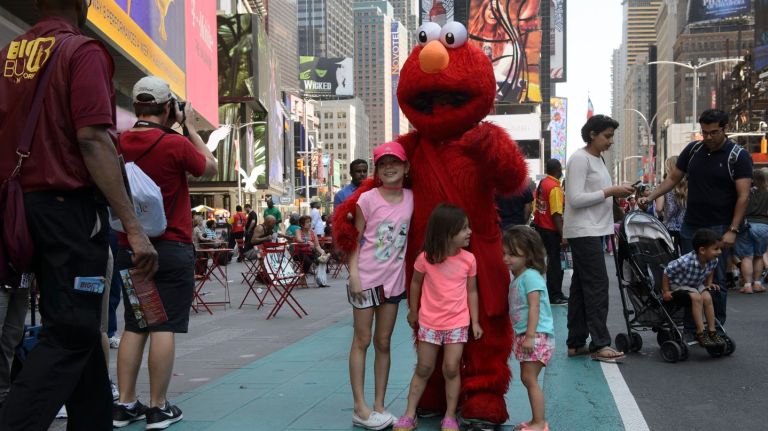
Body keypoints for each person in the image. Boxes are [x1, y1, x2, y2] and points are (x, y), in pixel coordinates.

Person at [0, 1, 159, 429]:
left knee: (83, 330)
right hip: (67, 212)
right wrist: (133, 227)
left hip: (19, 212)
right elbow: (92, 139)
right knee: (71, 332)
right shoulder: (82, 51)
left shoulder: (10, 54)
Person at [113, 75, 217, 430]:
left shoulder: (118, 142)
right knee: (163, 325)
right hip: (171, 247)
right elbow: (211, 167)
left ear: (137, 106)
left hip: (131, 247)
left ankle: (125, 404)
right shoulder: (175, 144)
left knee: (135, 324)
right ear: (169, 107)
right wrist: (190, 127)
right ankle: (158, 407)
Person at [641, 109, 752, 325]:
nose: (708, 137)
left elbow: (743, 196)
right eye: (704, 132)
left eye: (714, 132)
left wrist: (733, 229)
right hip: (690, 226)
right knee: (688, 277)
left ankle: (715, 328)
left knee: (715, 280)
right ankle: (692, 328)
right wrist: (650, 197)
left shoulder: (738, 156)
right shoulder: (693, 150)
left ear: (725, 129)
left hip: (719, 227)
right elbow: (673, 178)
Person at [393, 204, 481, 431]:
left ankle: (450, 416)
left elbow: (472, 291)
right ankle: (409, 413)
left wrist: (475, 321)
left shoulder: (469, 259)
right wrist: (413, 310)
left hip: (457, 323)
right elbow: (415, 283)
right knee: (423, 367)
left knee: (451, 368)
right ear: (448, 233)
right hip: (429, 323)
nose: (470, 232)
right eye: (464, 228)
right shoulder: (425, 259)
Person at [348, 142, 413, 430]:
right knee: (362, 340)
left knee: (383, 342)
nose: (389, 167)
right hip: (366, 279)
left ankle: (379, 406)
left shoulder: (412, 198)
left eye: (395, 162)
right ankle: (360, 407)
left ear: (406, 167)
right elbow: (353, 240)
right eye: (383, 163)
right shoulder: (367, 199)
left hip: (393, 283)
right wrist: (353, 275)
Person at [563, 115, 633, 362]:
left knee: (581, 289)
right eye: (607, 136)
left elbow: (595, 195)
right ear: (592, 134)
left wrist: (616, 193)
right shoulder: (579, 159)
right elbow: (575, 198)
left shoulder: (597, 159)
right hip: (584, 230)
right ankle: (600, 344)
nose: (610, 141)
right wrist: (611, 190)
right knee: (597, 286)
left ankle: (576, 342)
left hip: (593, 229)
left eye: (612, 136)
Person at [503, 226, 555, 431]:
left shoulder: (531, 276)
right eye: (505, 253)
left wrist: (531, 335)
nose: (506, 258)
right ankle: (536, 420)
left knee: (529, 378)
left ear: (529, 254)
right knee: (528, 378)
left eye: (513, 254)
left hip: (537, 334)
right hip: (528, 334)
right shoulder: (519, 278)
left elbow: (535, 306)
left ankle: (540, 422)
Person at [661, 229, 726, 349]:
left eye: (720, 249)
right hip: (678, 285)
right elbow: (667, 271)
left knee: (707, 297)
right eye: (716, 249)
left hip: (695, 284)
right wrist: (665, 291)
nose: (720, 252)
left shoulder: (713, 260)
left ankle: (712, 331)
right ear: (702, 250)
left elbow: (711, 270)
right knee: (696, 297)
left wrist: (709, 283)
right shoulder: (685, 261)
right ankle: (700, 332)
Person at [533, 159, 568, 305]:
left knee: (550, 262)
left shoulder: (542, 183)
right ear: (558, 170)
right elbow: (556, 214)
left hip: (541, 227)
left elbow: (537, 205)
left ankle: (552, 293)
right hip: (551, 230)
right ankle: (555, 295)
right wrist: (563, 235)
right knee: (556, 264)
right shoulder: (554, 188)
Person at [735, 169, 768, 294]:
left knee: (746, 256)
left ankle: (748, 285)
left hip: (746, 224)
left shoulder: (744, 192)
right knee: (759, 255)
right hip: (763, 225)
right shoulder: (766, 192)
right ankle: (757, 283)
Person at [654, 156, 687, 254]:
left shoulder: (663, 186)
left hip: (669, 228)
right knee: (686, 255)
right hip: (686, 227)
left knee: (670, 256)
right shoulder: (688, 184)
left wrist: (663, 215)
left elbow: (659, 208)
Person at [294, 215, 330, 287]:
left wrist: (322, 252)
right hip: (299, 253)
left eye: (310, 222)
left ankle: (320, 279)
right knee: (307, 261)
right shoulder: (298, 231)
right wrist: (307, 242)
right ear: (302, 224)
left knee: (321, 259)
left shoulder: (313, 232)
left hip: (310, 253)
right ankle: (302, 277)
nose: (309, 223)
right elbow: (299, 239)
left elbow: (317, 246)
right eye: (307, 222)